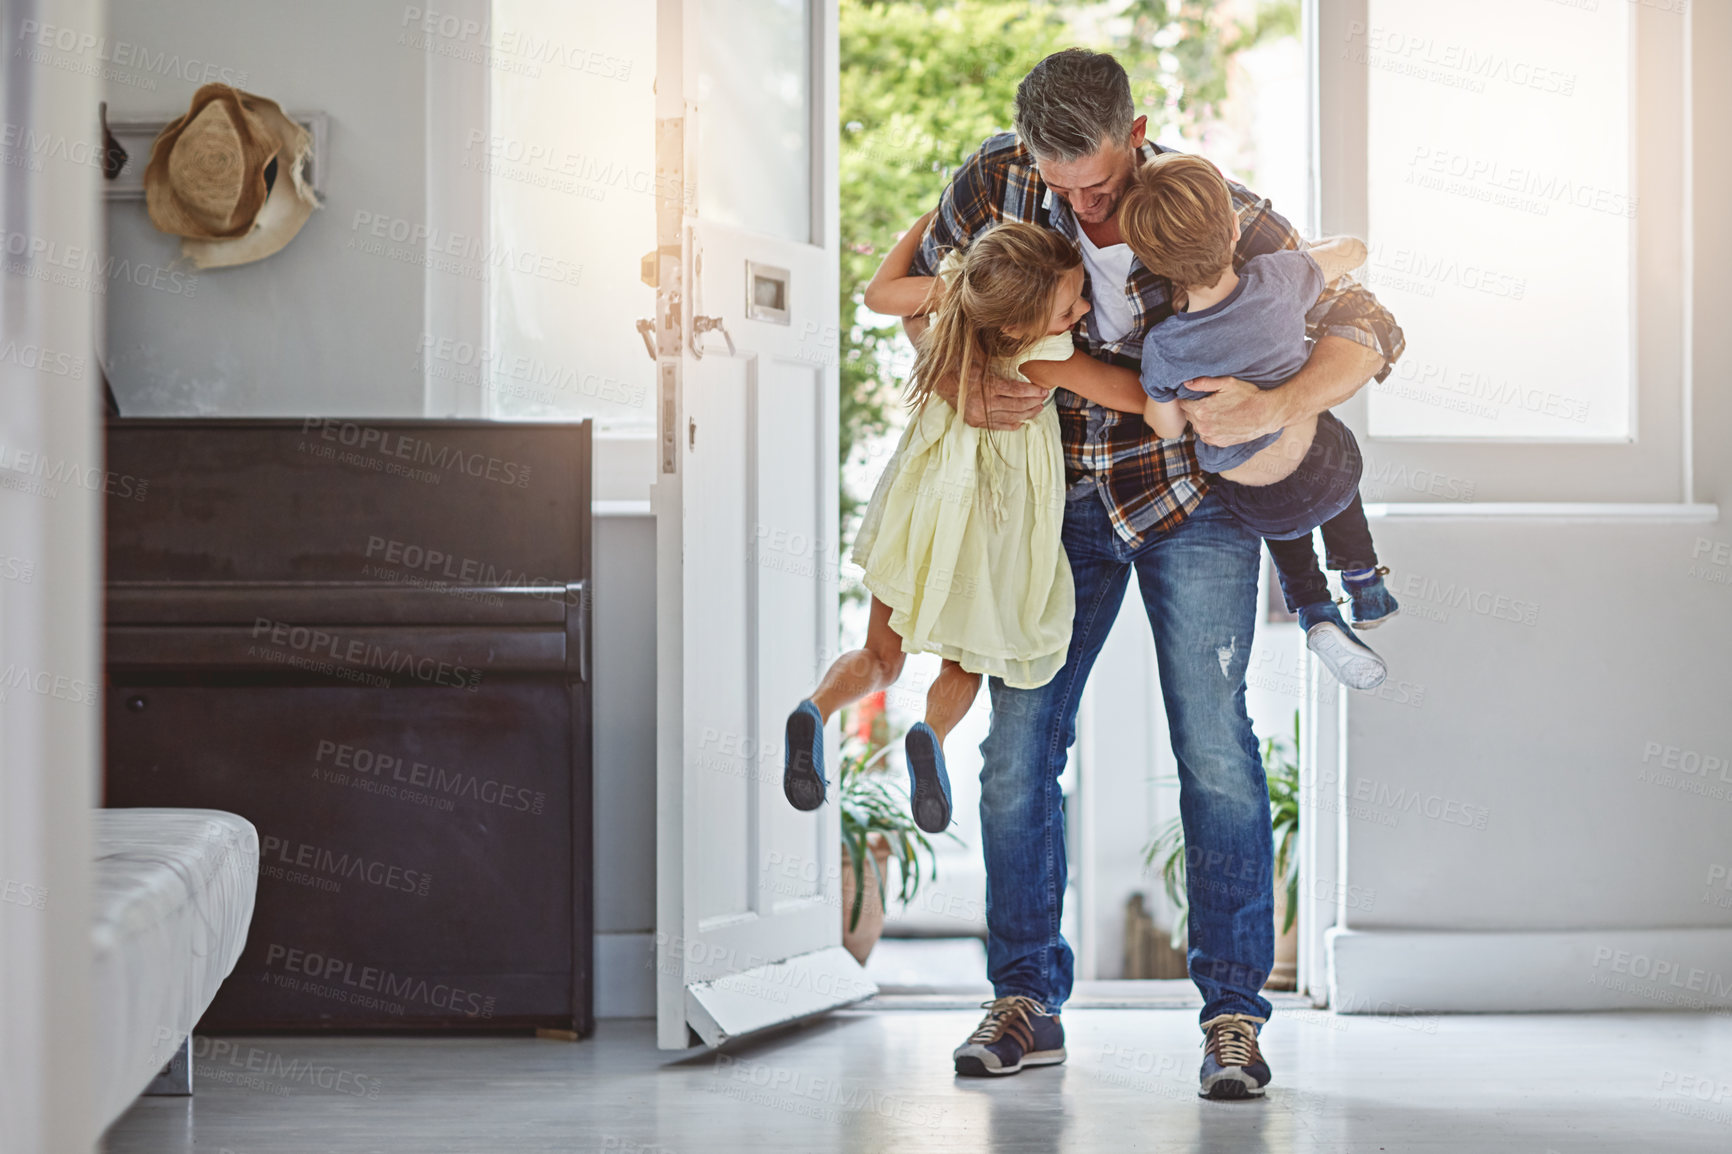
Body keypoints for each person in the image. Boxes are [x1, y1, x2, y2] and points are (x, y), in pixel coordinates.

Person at [905, 49, 1403, 1096]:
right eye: (1061, 185)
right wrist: (961, 379)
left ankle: (1231, 1012)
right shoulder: (996, 180)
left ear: (1136, 137)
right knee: (1017, 745)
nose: (1083, 207)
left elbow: (1371, 325)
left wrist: (1277, 403)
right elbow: (930, 302)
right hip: (1052, 502)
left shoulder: (1203, 205)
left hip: (1196, 505)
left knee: (1215, 747)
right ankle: (1024, 998)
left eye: (1098, 183)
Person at [782, 216, 1147, 835]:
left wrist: (924, 224)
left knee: (881, 656)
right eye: (1069, 307)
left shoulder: (954, 296)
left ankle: (815, 709)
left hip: (920, 507)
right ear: (1017, 326)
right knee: (965, 660)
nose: (1083, 310)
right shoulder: (1044, 356)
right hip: (989, 526)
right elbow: (1134, 394)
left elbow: (877, 294)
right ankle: (932, 733)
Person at [1125, 153, 1400, 690]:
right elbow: (1353, 252)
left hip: (1255, 501)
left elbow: (1164, 428)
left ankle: (1315, 610)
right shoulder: (1279, 277)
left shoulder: (1163, 347)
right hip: (1324, 472)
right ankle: (1364, 581)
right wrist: (1327, 247)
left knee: (1278, 516)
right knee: (1327, 452)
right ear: (1233, 230)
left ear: (1154, 265)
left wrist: (1175, 399)